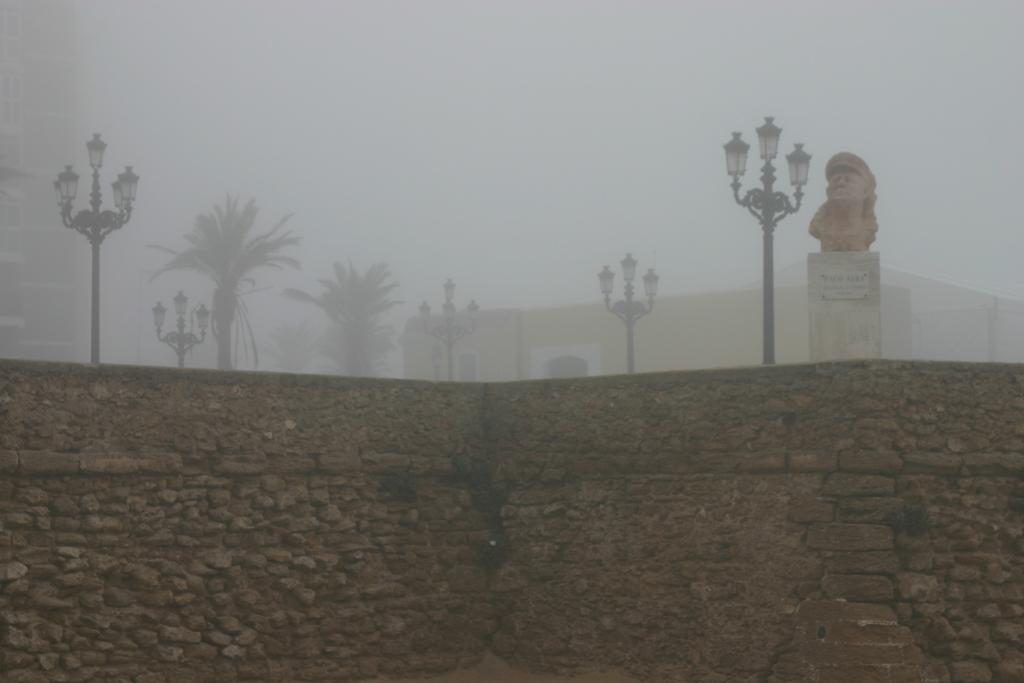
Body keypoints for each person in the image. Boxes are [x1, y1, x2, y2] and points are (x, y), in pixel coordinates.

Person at [809, 152, 878, 251]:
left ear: (865, 192)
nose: (841, 183)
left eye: (848, 180)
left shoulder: (867, 228)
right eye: (836, 180)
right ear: (828, 191)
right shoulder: (819, 226)